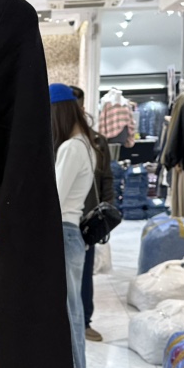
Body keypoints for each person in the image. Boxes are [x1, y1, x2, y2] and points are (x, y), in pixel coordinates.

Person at [50, 83, 104, 368]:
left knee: (69, 321)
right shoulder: (86, 144)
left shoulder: (71, 148)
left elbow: (52, 197)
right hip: (71, 237)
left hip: (63, 234)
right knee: (71, 318)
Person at [70, 86, 114, 343]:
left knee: (85, 272)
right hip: (63, 218)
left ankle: (85, 321)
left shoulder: (97, 142)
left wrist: (107, 211)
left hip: (87, 218)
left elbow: (106, 178)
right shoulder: (53, 139)